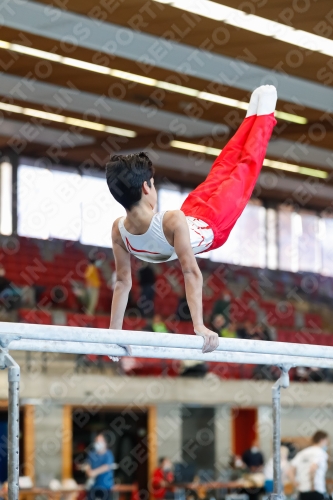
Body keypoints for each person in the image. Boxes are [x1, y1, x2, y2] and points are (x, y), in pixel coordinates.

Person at [107, 85, 277, 354]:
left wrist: (114, 333)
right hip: (215, 225)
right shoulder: (146, 225)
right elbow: (190, 272)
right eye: (153, 184)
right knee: (243, 169)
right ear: (145, 188)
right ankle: (266, 116)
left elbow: (122, 283)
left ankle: (250, 118)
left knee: (221, 168)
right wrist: (198, 325)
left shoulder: (122, 229)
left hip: (192, 214)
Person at [290, 430, 329, 500]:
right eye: (326, 441)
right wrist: (312, 486)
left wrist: (294, 482)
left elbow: (290, 470)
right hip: (316, 491)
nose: (327, 443)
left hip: (302, 491)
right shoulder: (320, 453)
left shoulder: (303, 452)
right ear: (322, 440)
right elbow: (313, 468)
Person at [85, 433, 115, 500]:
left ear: (105, 442)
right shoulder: (91, 454)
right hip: (93, 486)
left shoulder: (108, 454)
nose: (98, 443)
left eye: (100, 441)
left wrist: (94, 472)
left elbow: (106, 466)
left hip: (105, 486)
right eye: (96, 441)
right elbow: (87, 465)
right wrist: (89, 472)